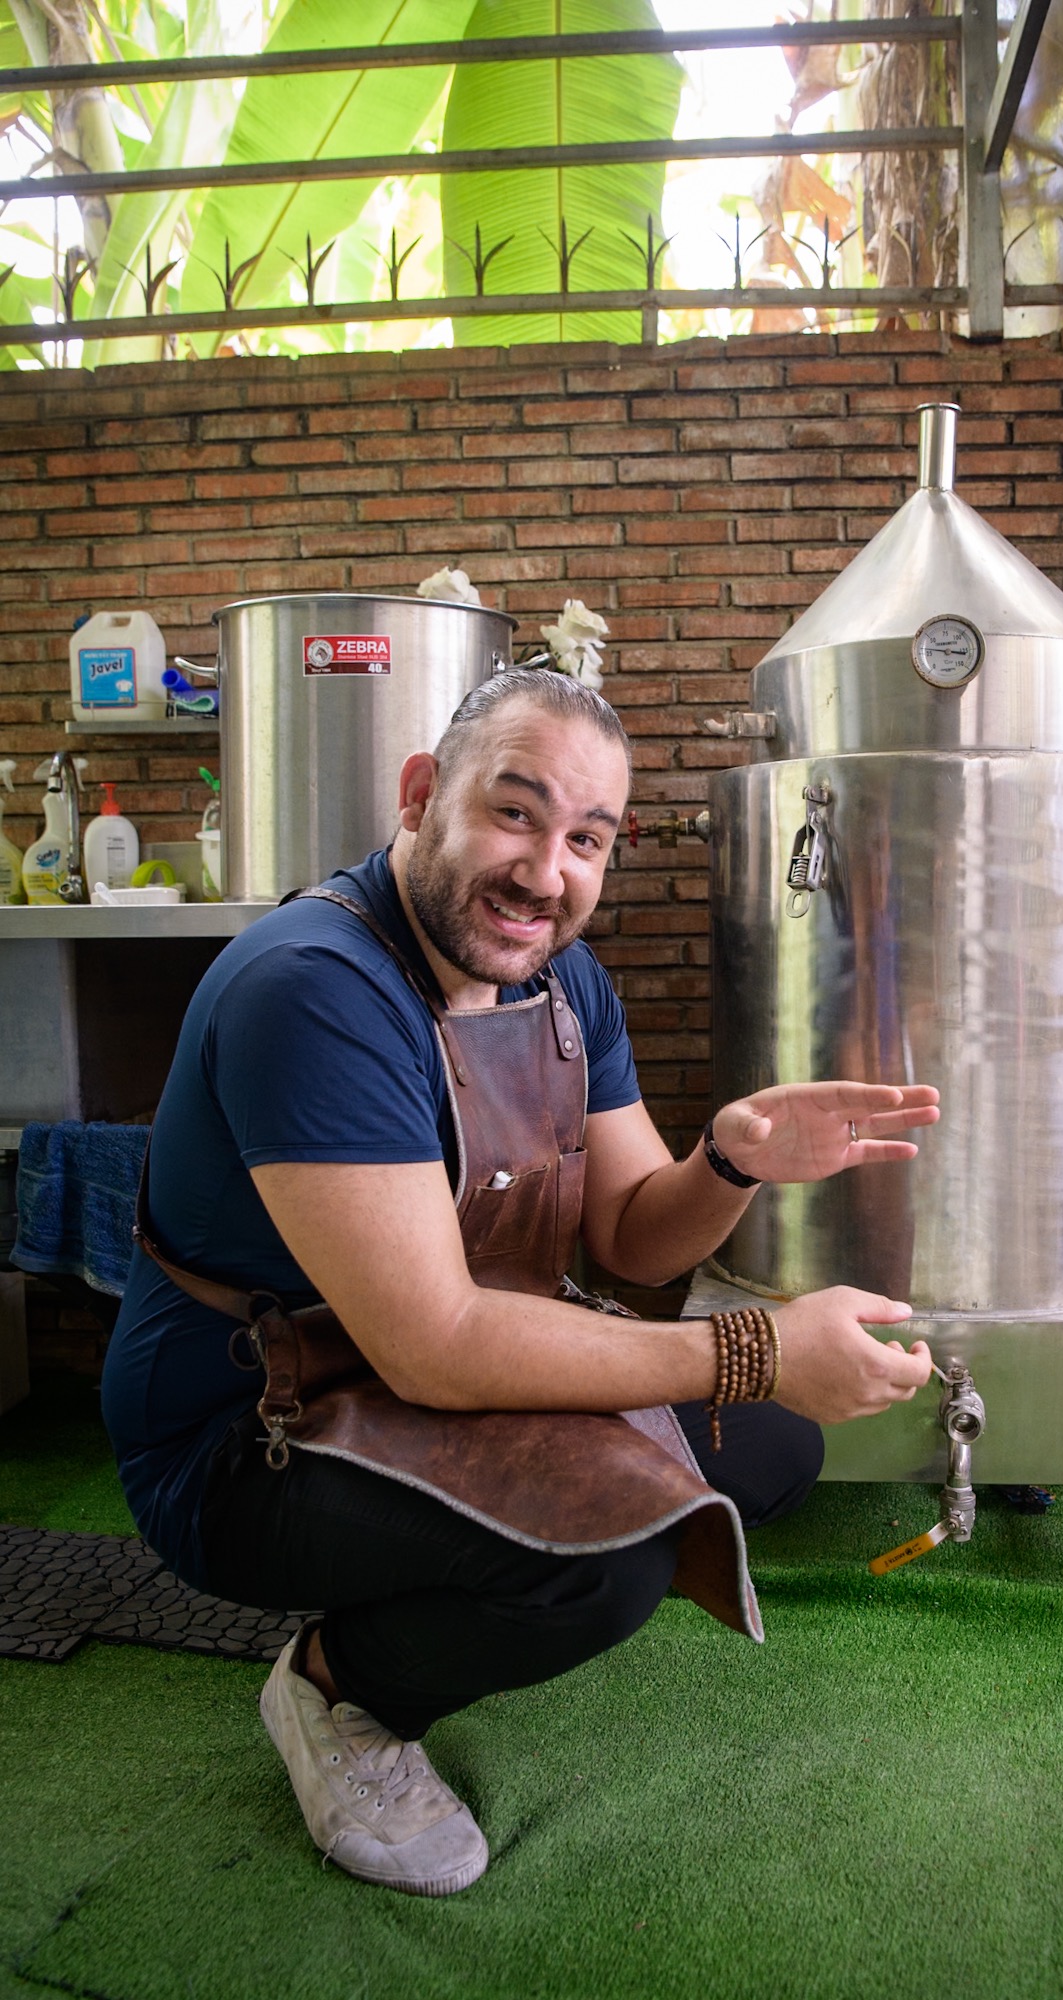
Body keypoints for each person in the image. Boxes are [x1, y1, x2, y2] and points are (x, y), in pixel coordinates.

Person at [101, 668, 940, 1899]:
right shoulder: (314, 988)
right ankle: (335, 1687)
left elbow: (631, 1241)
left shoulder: (558, 977)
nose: (545, 873)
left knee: (765, 1451)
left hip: (426, 1377)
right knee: (608, 1553)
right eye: (514, 812)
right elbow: (435, 1342)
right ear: (420, 795)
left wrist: (730, 1161)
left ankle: (425, 1578)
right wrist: (755, 1347)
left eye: (585, 839)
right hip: (245, 1435)